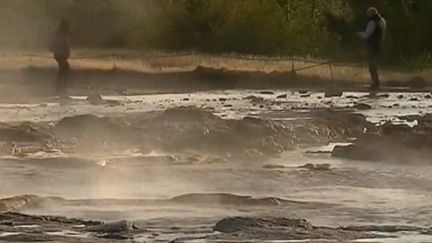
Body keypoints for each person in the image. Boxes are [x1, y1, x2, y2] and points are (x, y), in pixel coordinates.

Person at [357, 7, 387, 90]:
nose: (367, 16)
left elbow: (367, 34)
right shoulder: (382, 21)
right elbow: (383, 34)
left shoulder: (372, 22)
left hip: (372, 46)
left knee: (372, 65)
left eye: (368, 14)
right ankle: (375, 82)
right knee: (374, 64)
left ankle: (375, 83)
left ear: (371, 14)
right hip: (379, 45)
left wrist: (358, 34)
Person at [50, 19, 71, 93]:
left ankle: (59, 86)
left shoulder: (56, 33)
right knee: (66, 69)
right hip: (61, 54)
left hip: (58, 54)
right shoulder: (64, 34)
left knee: (62, 69)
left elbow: (52, 45)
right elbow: (66, 45)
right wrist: (67, 52)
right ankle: (61, 87)